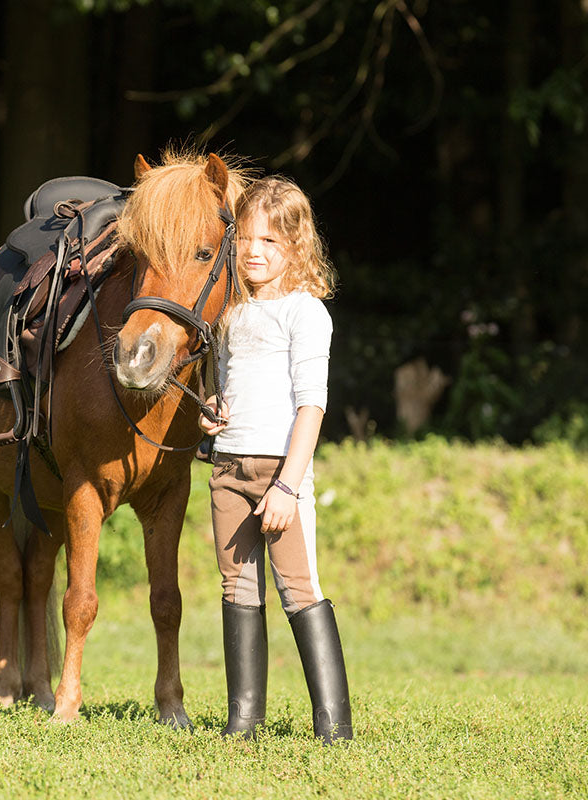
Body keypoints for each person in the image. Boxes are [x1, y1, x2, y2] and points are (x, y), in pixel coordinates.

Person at [199, 176, 352, 743]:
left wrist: (288, 487)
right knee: (237, 589)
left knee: (298, 590)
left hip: (279, 475)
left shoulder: (305, 312)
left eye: (270, 241)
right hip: (227, 471)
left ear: (296, 247)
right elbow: (223, 388)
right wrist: (210, 413)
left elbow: (312, 405)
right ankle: (244, 722)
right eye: (246, 239)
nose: (254, 252)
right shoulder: (229, 313)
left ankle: (334, 727)